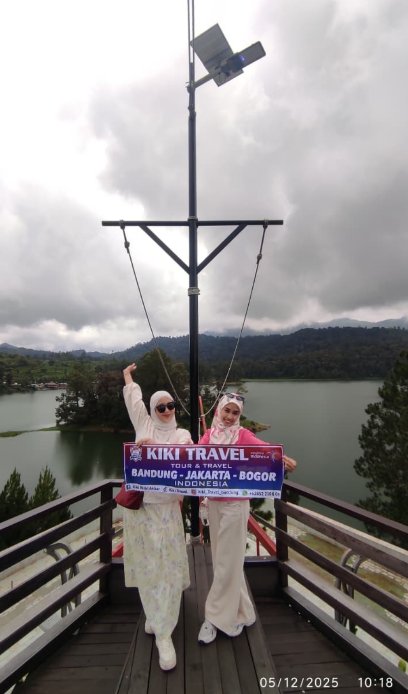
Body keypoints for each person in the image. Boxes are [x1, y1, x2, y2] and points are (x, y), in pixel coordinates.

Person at [197, 392, 297, 645]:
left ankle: (215, 618)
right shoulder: (209, 436)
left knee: (226, 562)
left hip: (235, 505)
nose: (230, 417)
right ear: (219, 410)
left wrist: (282, 460)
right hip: (214, 504)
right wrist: (152, 451)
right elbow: (191, 459)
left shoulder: (242, 435)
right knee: (224, 560)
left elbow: (266, 450)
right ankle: (243, 610)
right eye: (227, 410)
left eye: (235, 413)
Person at [122, 363, 192, 671]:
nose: (166, 410)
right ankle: (156, 617)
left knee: (168, 569)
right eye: (160, 406)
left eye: (170, 405)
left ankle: (164, 632)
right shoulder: (144, 425)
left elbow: (191, 467)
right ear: (153, 409)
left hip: (168, 511)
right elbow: (134, 402)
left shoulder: (183, 435)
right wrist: (128, 378)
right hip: (143, 511)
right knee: (149, 569)